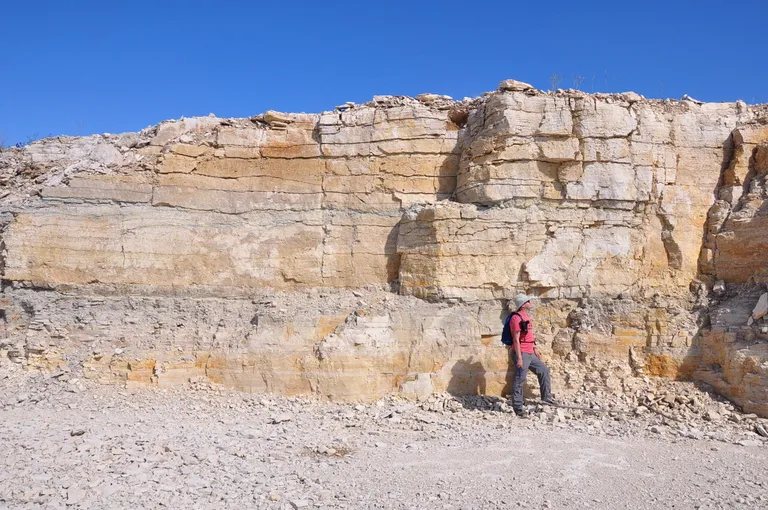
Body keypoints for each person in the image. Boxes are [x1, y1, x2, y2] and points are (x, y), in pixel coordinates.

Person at [508, 294, 555, 417]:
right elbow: (516, 339)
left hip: (530, 351)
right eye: (528, 301)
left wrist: (534, 348)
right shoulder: (516, 318)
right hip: (522, 352)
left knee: (543, 370)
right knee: (519, 379)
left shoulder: (526, 316)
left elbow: (528, 336)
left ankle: (547, 398)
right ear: (523, 304)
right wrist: (519, 358)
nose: (530, 302)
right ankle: (518, 408)